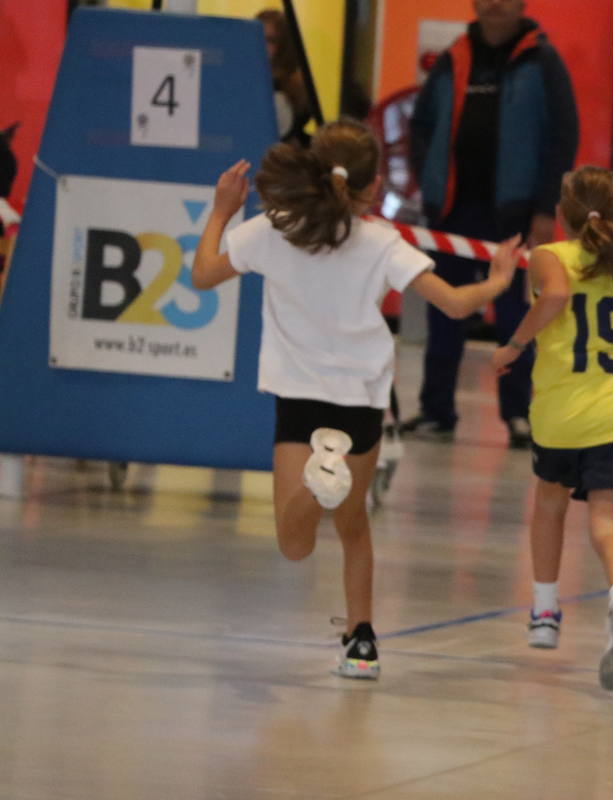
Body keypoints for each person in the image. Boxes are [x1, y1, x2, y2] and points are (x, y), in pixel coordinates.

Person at [190, 119, 521, 679]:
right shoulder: (382, 242)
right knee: (354, 526)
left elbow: (202, 275)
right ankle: (361, 642)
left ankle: (321, 477)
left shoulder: (275, 228)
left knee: (295, 545)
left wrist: (223, 209)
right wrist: (496, 280)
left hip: (300, 401)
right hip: (361, 403)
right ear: (372, 188)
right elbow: (458, 305)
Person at [491, 166, 613, 691]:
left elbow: (557, 296)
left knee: (549, 502)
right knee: (607, 524)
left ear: (561, 215)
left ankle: (544, 612)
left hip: (564, 416)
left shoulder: (551, 256)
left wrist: (514, 346)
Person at [405, 0, 579, 446]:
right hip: (452, 214)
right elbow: (422, 124)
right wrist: (429, 181)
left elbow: (564, 136)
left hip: (516, 218)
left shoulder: (543, 60)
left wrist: (546, 209)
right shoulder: (453, 57)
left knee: (517, 319)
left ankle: (519, 415)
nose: (494, 4)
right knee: (445, 311)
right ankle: (436, 410)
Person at [255, 9, 312, 146]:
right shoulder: (240, 80)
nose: (262, 45)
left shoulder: (296, 86)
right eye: (257, 38)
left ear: (284, 45)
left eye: (270, 40)